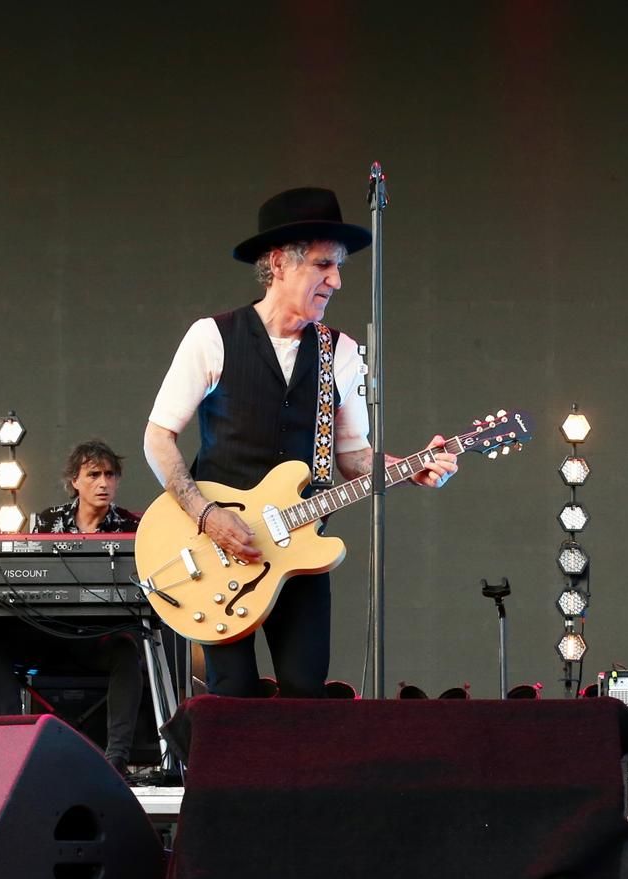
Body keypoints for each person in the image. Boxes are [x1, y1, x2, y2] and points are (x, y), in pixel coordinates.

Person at [142, 186, 459, 698]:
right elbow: (158, 437)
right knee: (233, 688)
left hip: (301, 544)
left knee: (306, 689)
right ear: (278, 264)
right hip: (215, 542)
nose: (335, 280)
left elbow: (354, 457)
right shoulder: (212, 337)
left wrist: (411, 466)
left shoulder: (344, 352)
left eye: (339, 268)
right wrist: (205, 514)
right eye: (323, 265)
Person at [0, 439, 145, 774]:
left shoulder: (132, 527)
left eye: (110, 475)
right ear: (75, 482)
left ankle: (117, 760)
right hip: (48, 634)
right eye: (94, 474)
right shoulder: (46, 521)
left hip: (97, 639)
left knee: (127, 651)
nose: (103, 482)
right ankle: (15, 743)